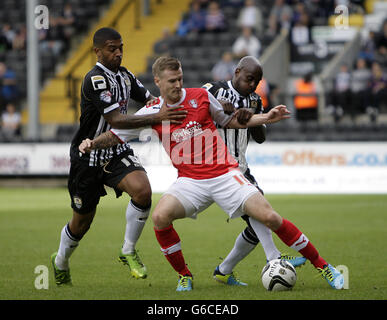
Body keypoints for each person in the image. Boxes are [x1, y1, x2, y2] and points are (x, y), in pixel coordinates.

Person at [79, 56, 344, 292]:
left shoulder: (201, 97)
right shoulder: (152, 113)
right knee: (160, 217)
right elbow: (115, 136)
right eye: (172, 81)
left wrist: (266, 118)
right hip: (189, 181)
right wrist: (91, 142)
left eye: (180, 78)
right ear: (158, 81)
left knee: (270, 216)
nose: (177, 85)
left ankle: (323, 266)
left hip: (225, 174)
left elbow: (230, 121)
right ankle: (184, 275)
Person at [50, 28, 187, 286]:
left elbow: (153, 102)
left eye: (120, 47)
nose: (118, 53)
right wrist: (157, 118)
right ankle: (60, 261)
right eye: (112, 49)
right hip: (87, 156)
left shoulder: (125, 76)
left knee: (143, 190)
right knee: (81, 224)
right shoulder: (94, 80)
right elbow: (115, 119)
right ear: (97, 52)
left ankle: (128, 249)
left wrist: (186, 104)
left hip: (115, 150)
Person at [202, 56, 306, 286]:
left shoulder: (255, 100)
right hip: (217, 169)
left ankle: (224, 270)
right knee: (261, 218)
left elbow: (260, 137)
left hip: (241, 168)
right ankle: (275, 257)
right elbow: (194, 115)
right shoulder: (213, 90)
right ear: (237, 71)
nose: (252, 85)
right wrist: (220, 111)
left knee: (258, 222)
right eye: (250, 79)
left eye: (257, 82)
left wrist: (249, 116)